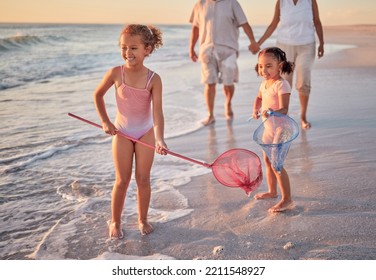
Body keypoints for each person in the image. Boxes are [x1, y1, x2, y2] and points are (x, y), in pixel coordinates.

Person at [93, 24, 168, 239]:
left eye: (134, 48)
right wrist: (105, 121)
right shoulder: (116, 73)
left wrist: (160, 139)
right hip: (122, 132)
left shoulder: (154, 79)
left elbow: (158, 113)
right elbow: (97, 95)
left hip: (146, 132)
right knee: (122, 180)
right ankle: (115, 221)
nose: (128, 53)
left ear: (148, 49)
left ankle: (142, 219)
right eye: (124, 47)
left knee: (143, 179)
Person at [256, 0, 324, 129]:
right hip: (285, 45)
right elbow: (273, 24)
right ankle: (282, 116)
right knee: (283, 82)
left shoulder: (310, 1)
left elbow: (317, 21)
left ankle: (303, 116)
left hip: (306, 44)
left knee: (303, 79)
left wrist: (322, 43)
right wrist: (258, 43)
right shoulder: (281, 2)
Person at [189, 0, 259, 125]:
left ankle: (228, 103)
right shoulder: (200, 4)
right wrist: (191, 48)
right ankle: (210, 115)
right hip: (207, 50)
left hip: (228, 49)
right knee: (209, 83)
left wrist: (253, 41)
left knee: (228, 83)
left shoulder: (232, 3)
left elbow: (244, 23)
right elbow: (195, 27)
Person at [252, 47, 294, 212]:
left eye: (269, 66)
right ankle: (272, 191)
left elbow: (284, 109)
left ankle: (287, 199)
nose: (264, 70)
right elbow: (259, 98)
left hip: (280, 130)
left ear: (280, 65)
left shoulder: (282, 85)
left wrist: (271, 112)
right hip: (268, 129)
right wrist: (255, 110)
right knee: (268, 162)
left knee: (277, 164)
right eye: (261, 66)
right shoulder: (264, 83)